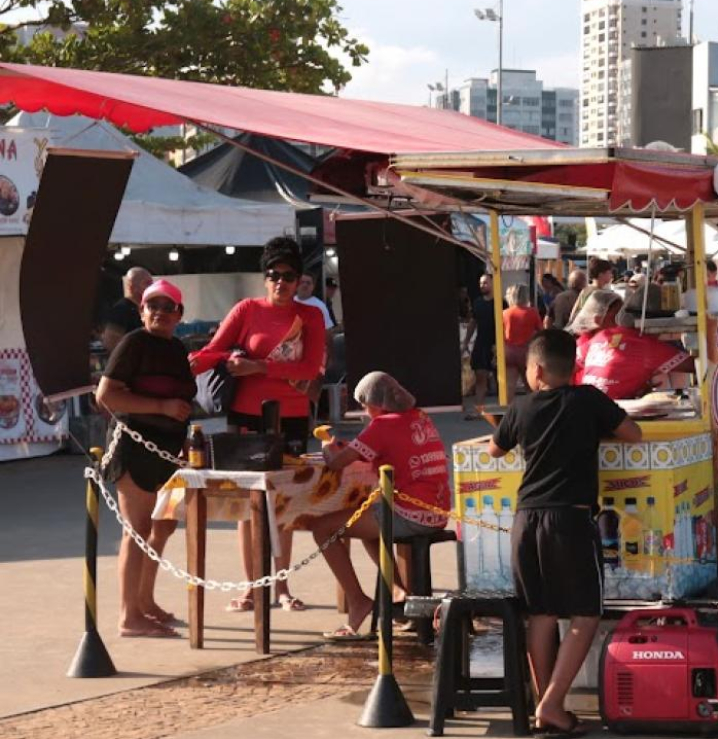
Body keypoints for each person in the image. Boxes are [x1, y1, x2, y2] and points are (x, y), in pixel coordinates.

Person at [487, 330, 643, 735]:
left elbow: (493, 450)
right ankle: (552, 705)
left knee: (540, 612)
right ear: (572, 367)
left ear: (536, 370)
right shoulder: (587, 399)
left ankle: (547, 705)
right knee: (586, 614)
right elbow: (633, 433)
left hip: (526, 520)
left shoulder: (521, 407)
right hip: (569, 521)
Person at [190, 236, 326, 614]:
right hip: (247, 417)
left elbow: (309, 368)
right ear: (264, 278)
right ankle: (252, 589)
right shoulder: (247, 309)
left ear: (299, 280)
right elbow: (213, 351)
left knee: (282, 504)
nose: (281, 282)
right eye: (274, 275)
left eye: (288, 276)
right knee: (248, 504)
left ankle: (281, 587)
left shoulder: (311, 316)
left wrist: (259, 367)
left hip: (293, 417)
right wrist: (185, 364)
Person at [304, 372, 451, 639]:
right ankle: (397, 589)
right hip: (438, 512)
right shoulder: (420, 417)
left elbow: (335, 463)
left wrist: (327, 444)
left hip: (411, 514)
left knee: (321, 528)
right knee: (366, 517)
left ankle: (358, 600)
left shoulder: (381, 426)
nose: (363, 411)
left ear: (376, 404)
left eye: (364, 405)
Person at [96, 279, 196, 638]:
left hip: (168, 452)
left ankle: (144, 602)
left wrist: (182, 438)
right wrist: (161, 406)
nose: (160, 313)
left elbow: (183, 401)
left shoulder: (177, 348)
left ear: (179, 314)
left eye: (168, 307)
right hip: (135, 448)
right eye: (153, 306)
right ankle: (129, 616)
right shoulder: (133, 343)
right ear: (142, 310)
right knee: (136, 531)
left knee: (163, 527)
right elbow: (106, 396)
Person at [570, 290, 695, 399]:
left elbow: (565, 365)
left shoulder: (604, 335)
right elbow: (697, 366)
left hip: (585, 407)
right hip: (607, 415)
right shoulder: (647, 346)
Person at [463, 273, 505, 400]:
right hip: (482, 344)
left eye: (485, 283)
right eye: (481, 283)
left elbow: (506, 324)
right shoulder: (477, 303)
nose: (482, 286)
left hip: (498, 344)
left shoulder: (501, 302)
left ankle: (504, 410)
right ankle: (479, 410)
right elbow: (473, 323)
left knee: (502, 381)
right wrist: (466, 342)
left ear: (493, 283)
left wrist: (502, 344)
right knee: (481, 378)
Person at [503, 285, 544, 393]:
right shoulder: (532, 312)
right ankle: (531, 407)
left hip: (509, 351)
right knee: (529, 384)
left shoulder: (505, 313)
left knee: (509, 384)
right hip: (526, 351)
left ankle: (508, 407)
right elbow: (541, 331)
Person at [101, 266, 152, 353]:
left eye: (151, 283)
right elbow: (110, 342)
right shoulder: (121, 310)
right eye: (147, 283)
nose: (151, 287)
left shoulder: (146, 309)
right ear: (132, 286)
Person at [566, 257, 616, 327]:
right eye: (609, 272)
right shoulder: (600, 293)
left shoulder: (586, 290)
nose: (611, 275)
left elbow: (574, 313)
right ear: (601, 274)